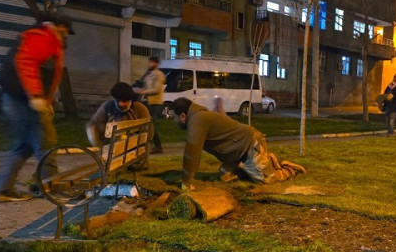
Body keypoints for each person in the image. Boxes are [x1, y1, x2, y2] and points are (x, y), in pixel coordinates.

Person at [0, 14, 73, 203]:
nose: (66, 35)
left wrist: (47, 101)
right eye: (65, 31)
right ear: (59, 26)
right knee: (45, 141)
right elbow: (27, 62)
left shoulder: (46, 38)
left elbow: (48, 76)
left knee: (27, 144)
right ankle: (47, 184)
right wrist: (36, 96)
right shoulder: (43, 37)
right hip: (23, 100)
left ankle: (7, 189)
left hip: (21, 99)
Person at [172, 97, 305, 189]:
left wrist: (186, 183)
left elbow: (192, 151)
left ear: (183, 116)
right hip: (236, 152)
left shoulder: (197, 120)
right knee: (226, 176)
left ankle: (288, 168)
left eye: (175, 117)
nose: (174, 121)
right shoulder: (200, 117)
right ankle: (257, 166)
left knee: (266, 180)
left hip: (249, 145)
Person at [87, 82, 152, 147]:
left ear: (130, 100)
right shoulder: (107, 107)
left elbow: (149, 130)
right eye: (118, 100)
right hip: (111, 146)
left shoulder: (139, 108)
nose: (121, 104)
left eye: (124, 101)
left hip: (134, 145)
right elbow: (94, 124)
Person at [132, 56, 165, 153]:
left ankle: (158, 146)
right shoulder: (148, 74)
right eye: (150, 62)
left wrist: (142, 91)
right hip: (147, 102)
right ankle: (148, 144)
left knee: (151, 124)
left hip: (155, 103)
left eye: (152, 62)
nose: (150, 64)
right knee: (147, 124)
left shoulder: (158, 75)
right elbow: (145, 86)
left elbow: (157, 89)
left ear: (156, 64)